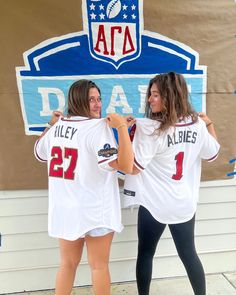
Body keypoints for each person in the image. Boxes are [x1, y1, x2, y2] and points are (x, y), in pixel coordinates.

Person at [34, 79, 134, 295]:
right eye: (91, 100)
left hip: (66, 209)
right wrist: (122, 128)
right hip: (95, 209)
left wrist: (51, 124)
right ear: (78, 100)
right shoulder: (98, 128)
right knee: (99, 267)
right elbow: (125, 166)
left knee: (67, 265)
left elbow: (39, 152)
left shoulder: (59, 126)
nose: (98, 104)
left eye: (99, 99)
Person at [123, 72, 220, 295]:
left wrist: (122, 130)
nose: (149, 99)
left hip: (154, 204)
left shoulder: (151, 129)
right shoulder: (196, 125)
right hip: (183, 204)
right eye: (150, 94)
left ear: (169, 96)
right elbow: (213, 152)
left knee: (146, 254)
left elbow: (133, 168)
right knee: (189, 254)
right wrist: (209, 123)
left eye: (155, 94)